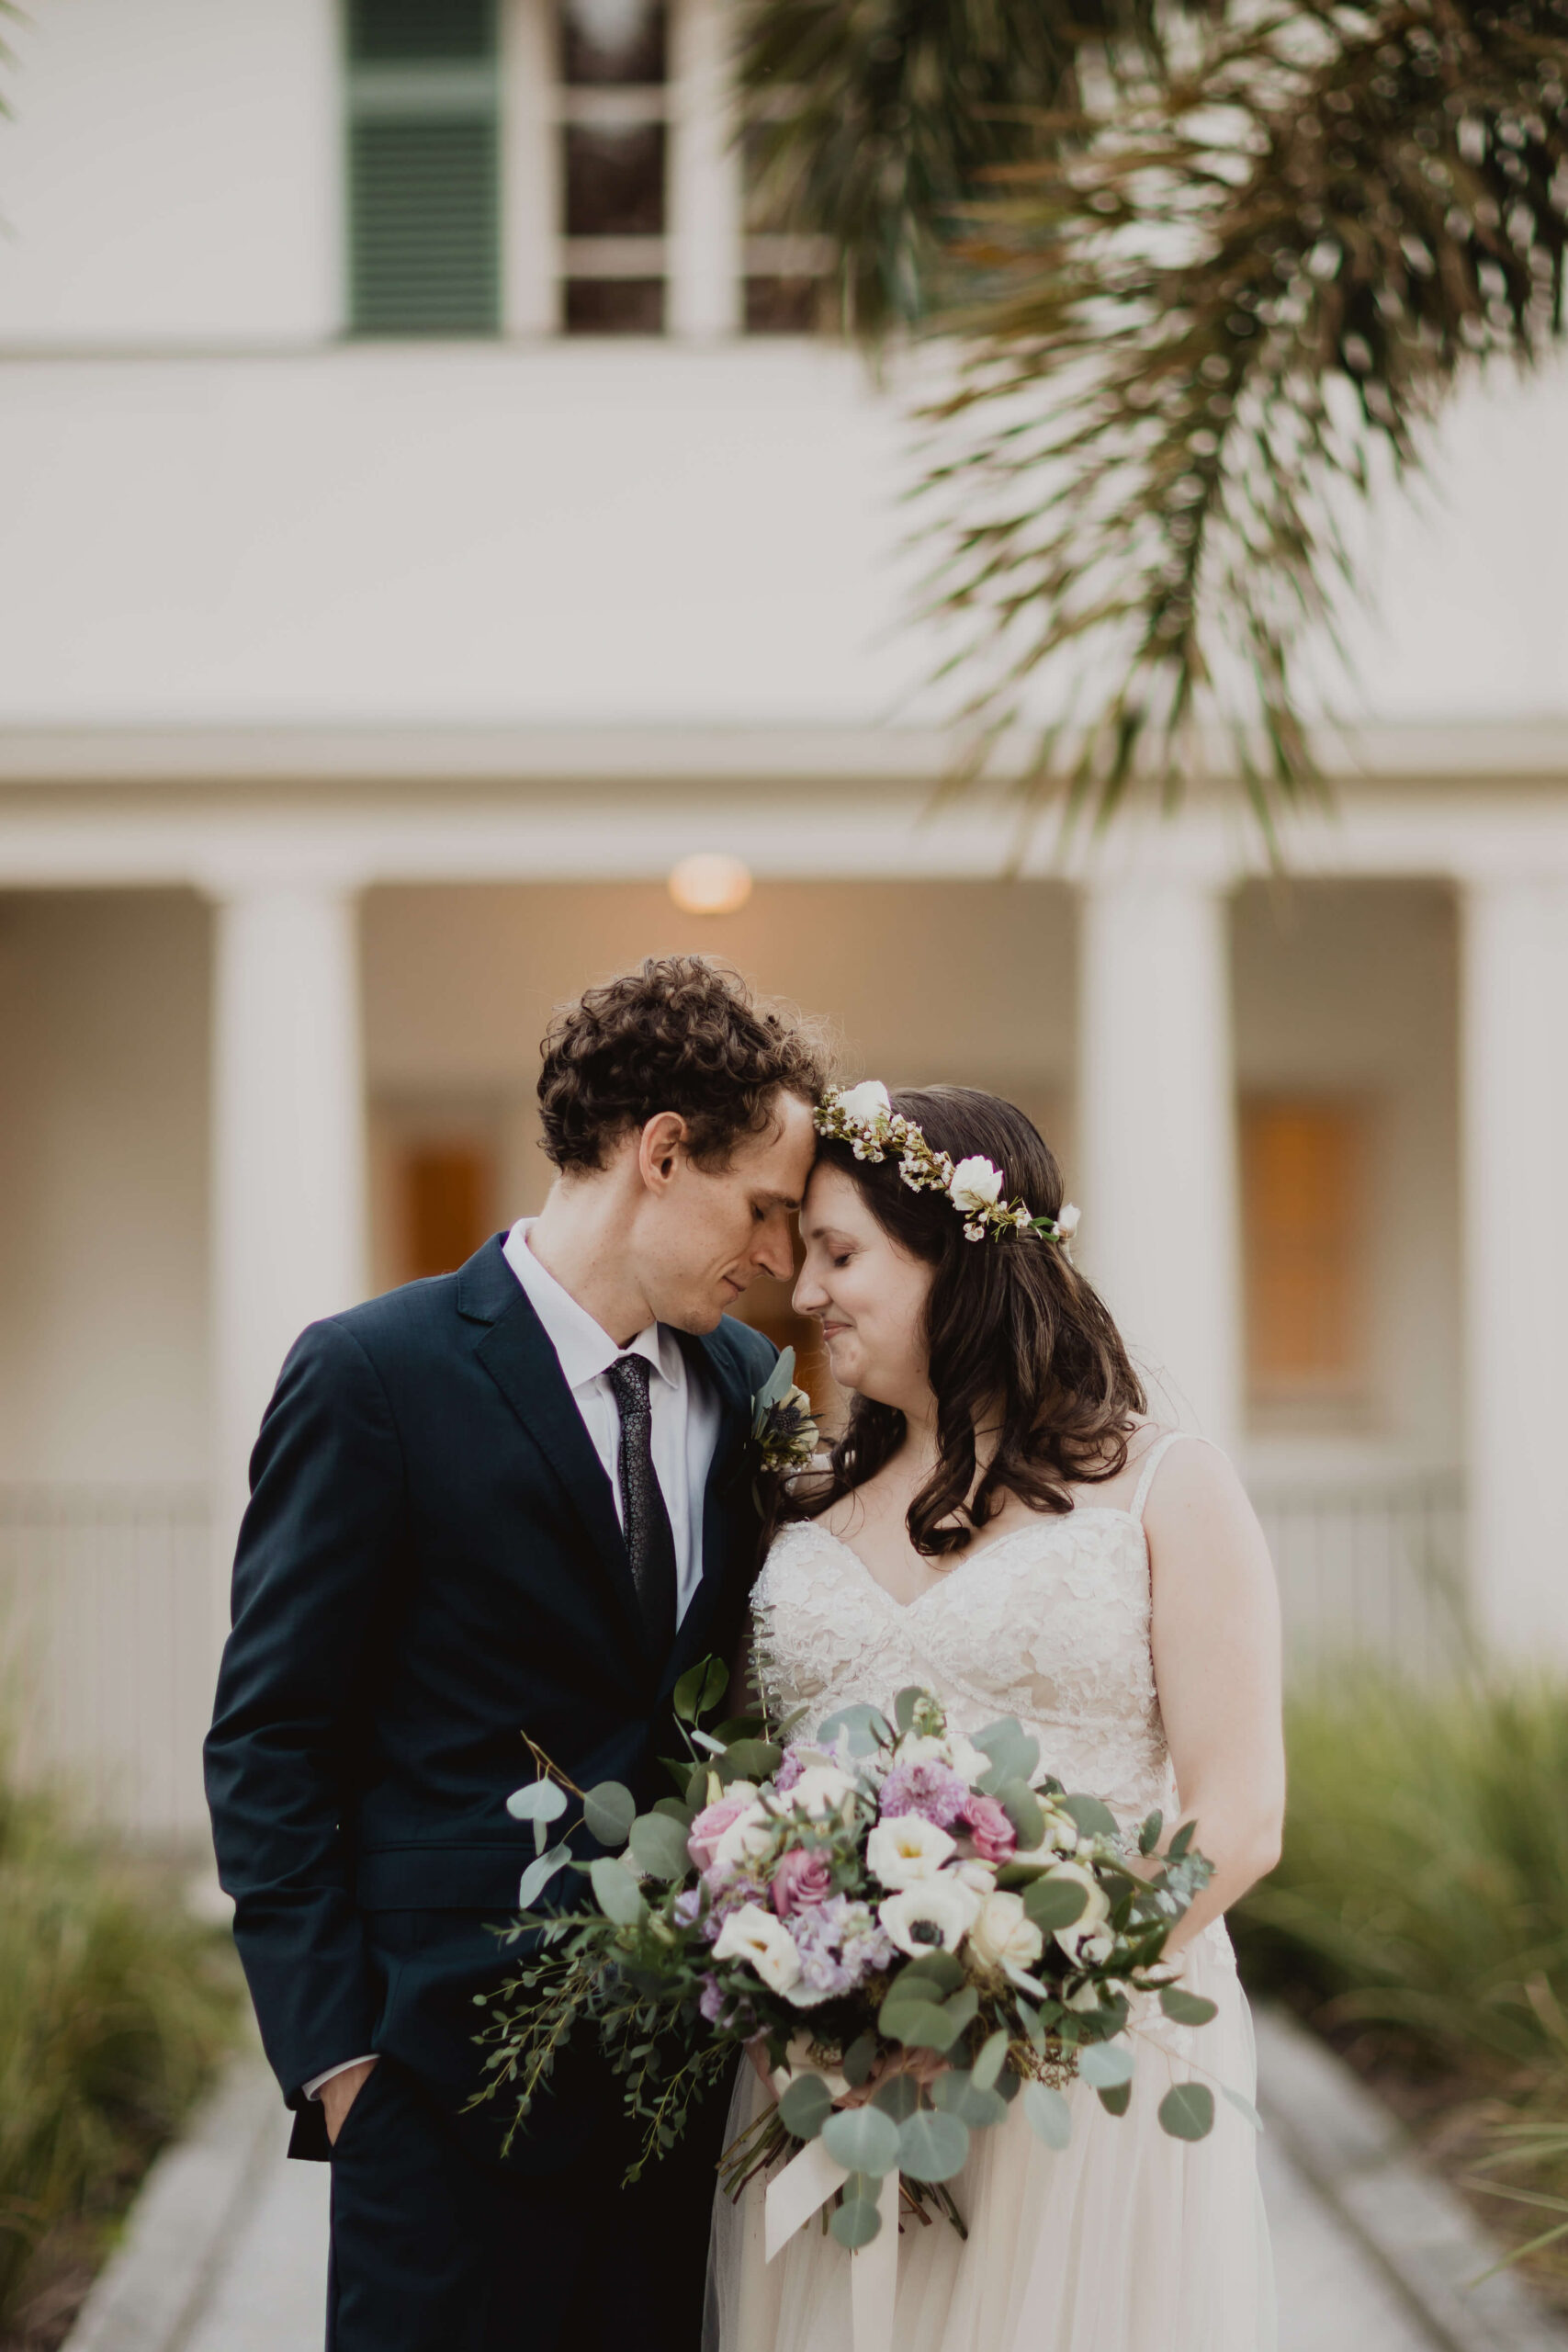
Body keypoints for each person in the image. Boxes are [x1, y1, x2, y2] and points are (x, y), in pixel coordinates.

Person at [204, 955, 826, 2352]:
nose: (779, 1258)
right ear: (663, 1153)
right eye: (764, 1209)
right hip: (434, 2099)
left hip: (680, 2102)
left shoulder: (746, 1389)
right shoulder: (374, 1374)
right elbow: (270, 1737)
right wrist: (339, 2061)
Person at [708, 1083, 1283, 2352]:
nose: (802, 1291)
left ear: (958, 1257)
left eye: (840, 1253)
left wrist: (1004, 2001)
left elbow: (1237, 1819)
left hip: (1097, 2063)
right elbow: (748, 1791)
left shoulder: (1163, 1488)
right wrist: (787, 1991)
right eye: (802, 1252)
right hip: (842, 2078)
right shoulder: (792, 1508)